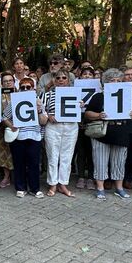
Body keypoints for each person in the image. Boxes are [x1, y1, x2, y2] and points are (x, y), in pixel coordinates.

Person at [83, 68, 132, 199]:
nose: (116, 82)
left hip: (121, 131)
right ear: (106, 82)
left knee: (119, 161)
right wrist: (98, 115)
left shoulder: (126, 97)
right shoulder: (98, 97)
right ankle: (100, 188)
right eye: (112, 80)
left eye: (119, 80)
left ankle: (119, 188)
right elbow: (87, 113)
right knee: (100, 160)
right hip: (103, 133)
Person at [3, 76, 48, 197]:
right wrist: (12, 126)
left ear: (33, 88)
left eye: (28, 87)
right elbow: (4, 117)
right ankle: (21, 188)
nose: (25, 89)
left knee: (34, 163)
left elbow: (43, 121)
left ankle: (35, 188)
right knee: (19, 163)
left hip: (34, 136)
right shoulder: (14, 101)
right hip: (19, 137)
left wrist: (39, 110)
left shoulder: (38, 101)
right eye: (22, 87)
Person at [41, 69, 79, 197]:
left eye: (64, 78)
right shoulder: (47, 94)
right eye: (58, 78)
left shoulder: (76, 94)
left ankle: (63, 184)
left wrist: (81, 105)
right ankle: (52, 183)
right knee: (52, 156)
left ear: (68, 80)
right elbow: (41, 109)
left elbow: (82, 109)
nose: (61, 80)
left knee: (67, 157)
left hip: (71, 127)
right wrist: (48, 115)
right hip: (53, 127)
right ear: (54, 80)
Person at [0, 71, 16, 188]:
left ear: (14, 82)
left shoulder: (20, 93)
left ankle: (17, 176)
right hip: (3, 129)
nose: (8, 83)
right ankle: (6, 177)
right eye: (5, 81)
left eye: (10, 81)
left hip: (19, 128)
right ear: (2, 83)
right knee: (4, 153)